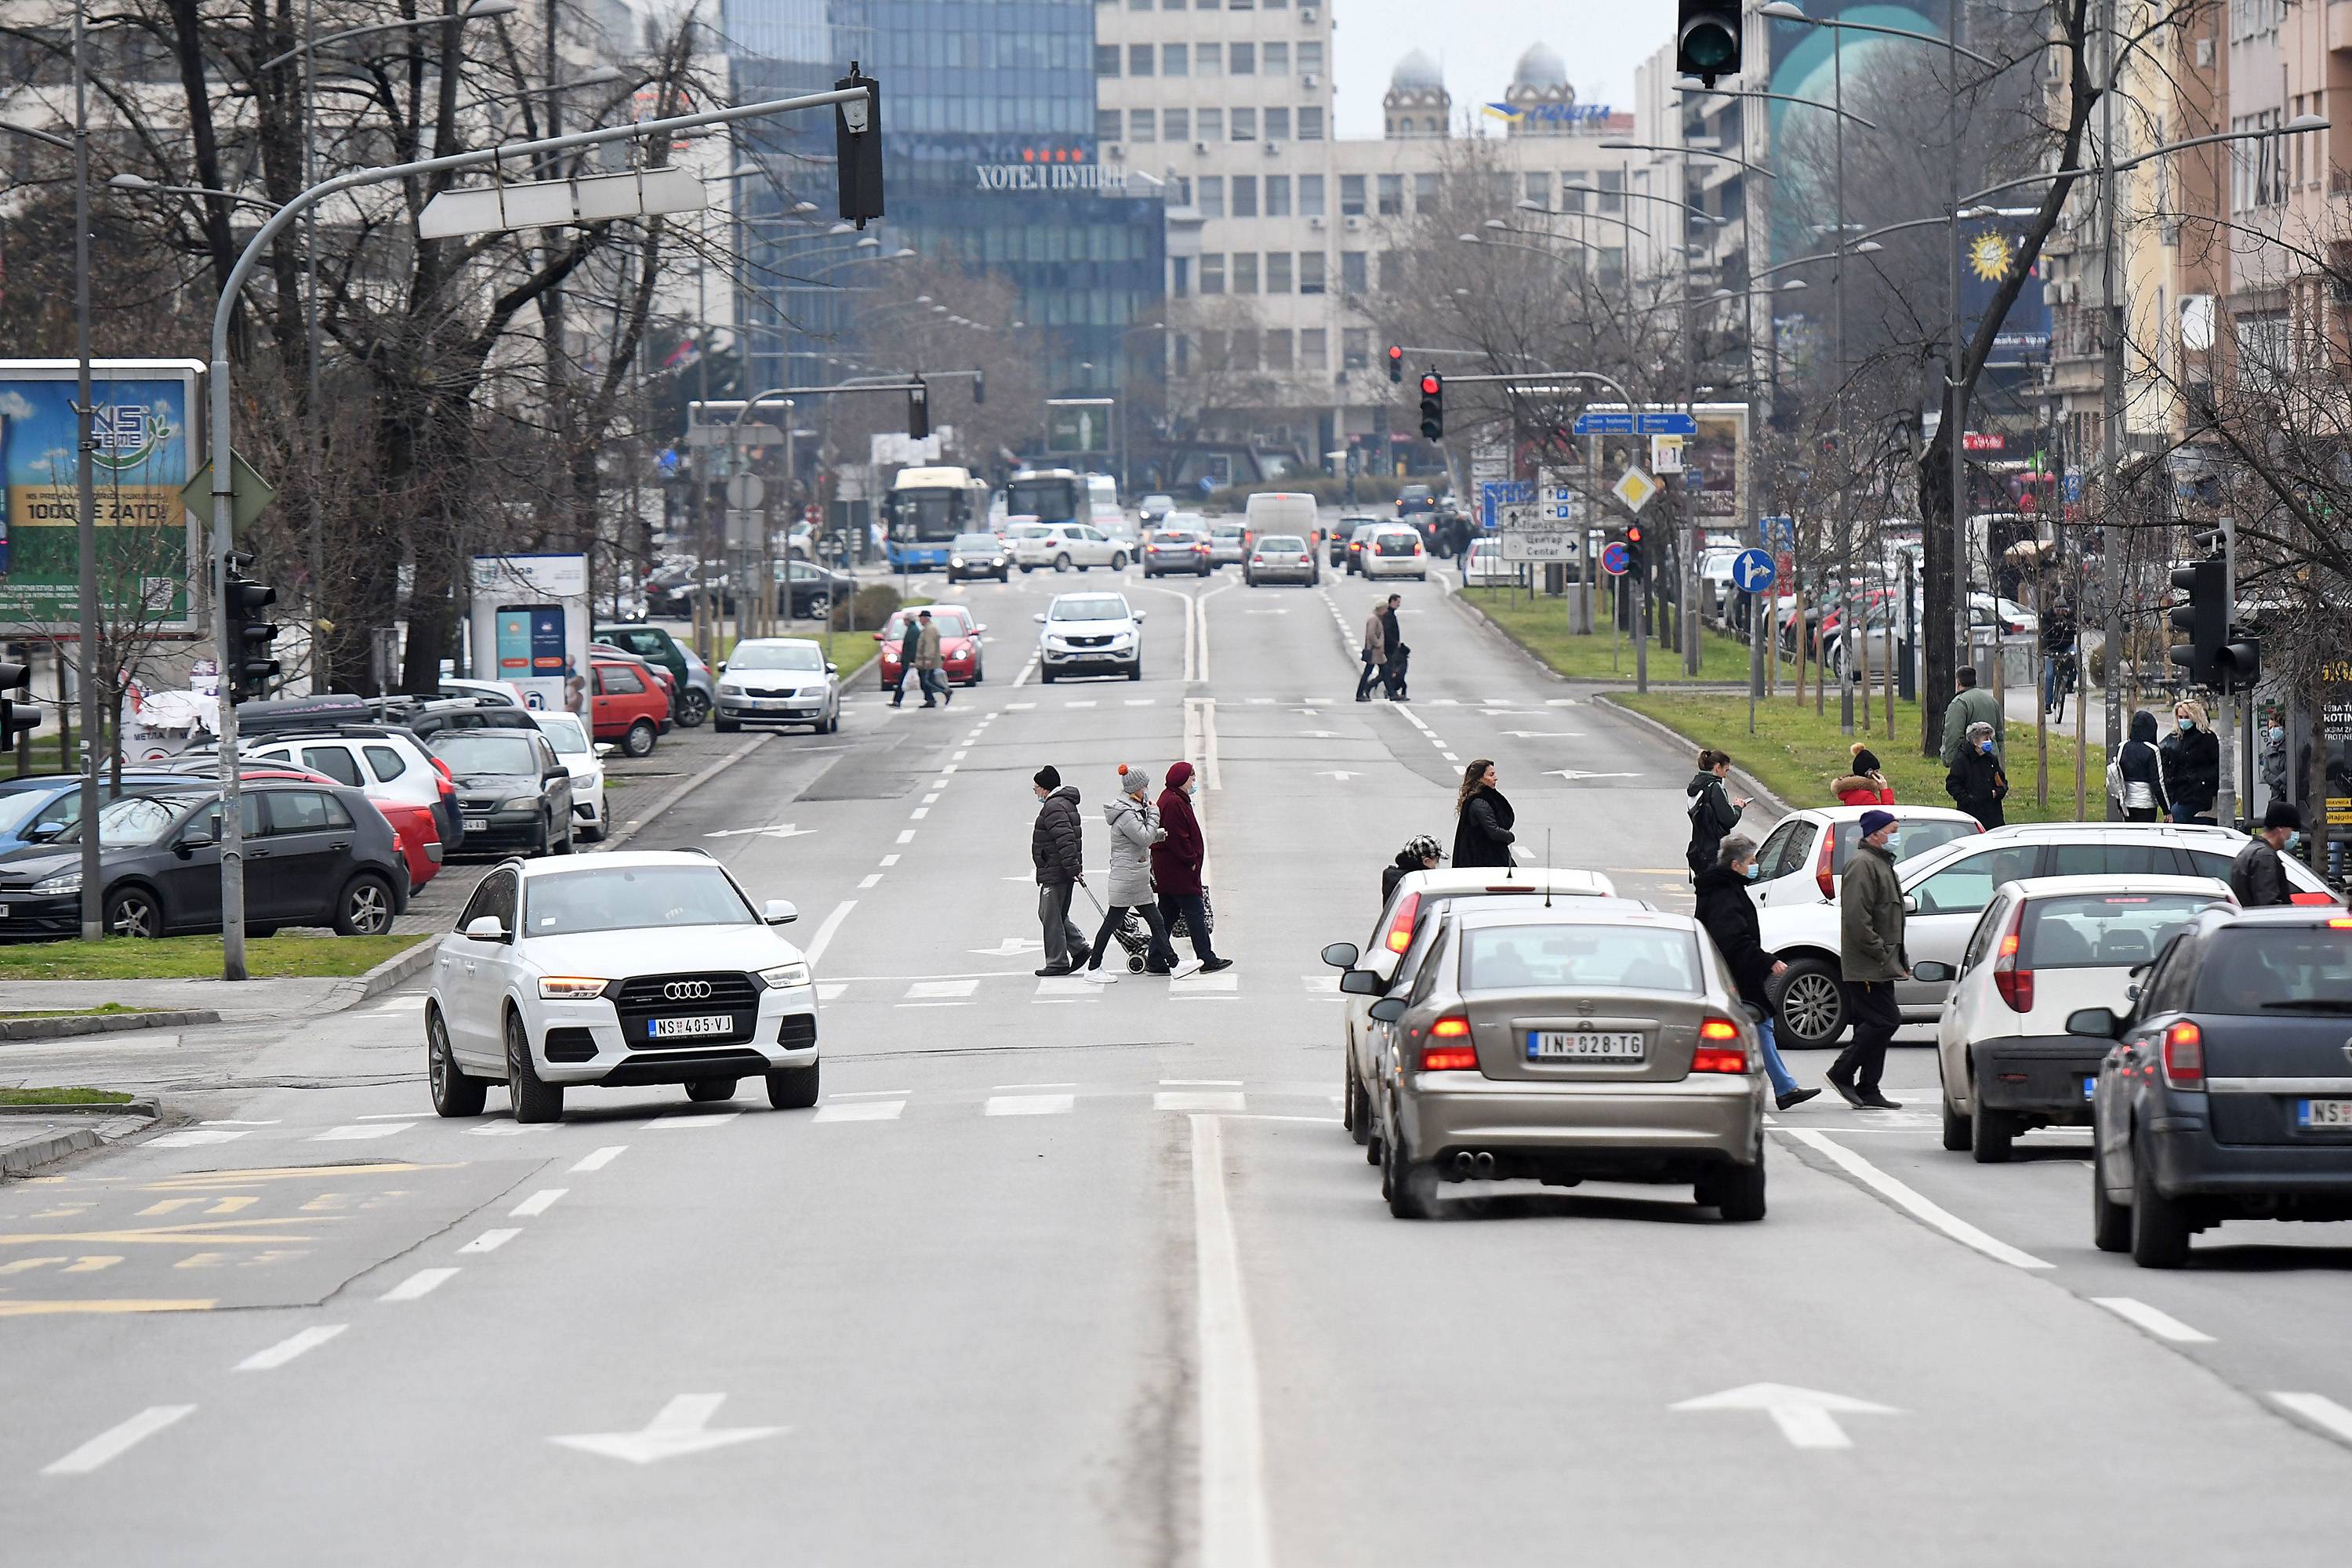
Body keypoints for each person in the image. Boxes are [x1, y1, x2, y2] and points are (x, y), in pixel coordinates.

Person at [1693, 835, 1820, 1112]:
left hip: (1730, 972)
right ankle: (1777, 1087)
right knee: (1749, 1026)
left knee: (1758, 1026)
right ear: (1736, 864)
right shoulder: (1725, 894)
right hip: (1733, 974)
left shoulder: (1723, 888)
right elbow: (1733, 938)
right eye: (1752, 862)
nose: (1756, 866)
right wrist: (1766, 960)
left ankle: (1784, 1087)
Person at [1829, 808, 1908, 1110]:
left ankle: (1869, 1087)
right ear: (1874, 834)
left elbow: (1891, 919)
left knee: (1873, 1022)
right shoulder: (1863, 865)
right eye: (1892, 830)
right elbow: (1856, 919)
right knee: (1886, 1020)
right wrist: (1880, 952)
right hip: (1867, 965)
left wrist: (1899, 959)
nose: (1896, 836)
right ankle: (1842, 1072)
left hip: (1882, 964)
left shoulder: (1882, 863)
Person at [1083, 764, 1178, 981]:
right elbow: (1143, 837)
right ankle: (1093, 967)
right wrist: (1155, 813)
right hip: (1128, 879)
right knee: (1115, 924)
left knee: (1154, 922)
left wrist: (1159, 834)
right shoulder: (1126, 813)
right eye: (1144, 787)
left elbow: (1139, 838)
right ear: (1135, 788)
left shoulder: (1131, 809)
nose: (1147, 791)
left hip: (1133, 876)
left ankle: (1174, 963)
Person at [1152, 761, 1231, 977]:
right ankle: (1206, 958)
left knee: (1167, 914)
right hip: (1178, 871)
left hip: (1170, 871)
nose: (1193, 782)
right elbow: (1177, 838)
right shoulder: (1174, 803)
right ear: (1182, 780)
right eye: (1191, 778)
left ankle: (1156, 958)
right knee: (1195, 912)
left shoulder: (1173, 798)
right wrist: (1191, 860)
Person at [1029, 766, 1088, 976]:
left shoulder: (1054, 806)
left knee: (1051, 915)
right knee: (1053, 913)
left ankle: (1057, 962)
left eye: (1036, 788)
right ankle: (1079, 948)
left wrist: (1073, 867)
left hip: (1056, 871)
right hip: (1058, 868)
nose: (1035, 792)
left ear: (1045, 788)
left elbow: (1065, 839)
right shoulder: (1062, 803)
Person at [1685, 748, 1747, 880]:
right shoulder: (1714, 787)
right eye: (1726, 770)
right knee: (1717, 894)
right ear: (1718, 767)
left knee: (1704, 894)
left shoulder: (1696, 786)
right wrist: (1738, 807)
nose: (1725, 775)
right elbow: (1729, 819)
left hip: (1698, 849)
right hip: (1714, 851)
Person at [2230, 801, 2301, 907]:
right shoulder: (2265, 857)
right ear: (2281, 829)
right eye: (2291, 830)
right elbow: (2270, 905)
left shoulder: (2249, 851)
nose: (2291, 835)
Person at [2161, 699, 2220, 823]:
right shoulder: (2176, 737)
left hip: (2197, 792)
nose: (2182, 720)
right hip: (2179, 791)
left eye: (2186, 717)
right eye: (2180, 717)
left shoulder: (2207, 738)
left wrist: (2201, 781)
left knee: (2175, 820)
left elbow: (2216, 766)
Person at [1451, 759, 1516, 869]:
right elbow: (1493, 830)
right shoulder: (1480, 802)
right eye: (1491, 775)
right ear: (1479, 778)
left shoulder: (1481, 798)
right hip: (1484, 861)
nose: (1495, 778)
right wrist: (1510, 836)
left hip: (1487, 857)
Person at [1945, 720, 2009, 829]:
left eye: (1990, 739)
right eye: (1986, 739)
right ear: (1975, 741)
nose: (1989, 742)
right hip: (1971, 815)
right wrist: (1967, 800)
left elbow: (2002, 782)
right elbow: (1952, 784)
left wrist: (1997, 793)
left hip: (1993, 815)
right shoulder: (1962, 760)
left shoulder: (1991, 759)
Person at [2112, 709, 2170, 822]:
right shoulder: (2152, 750)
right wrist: (2166, 809)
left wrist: (2119, 803)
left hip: (2127, 802)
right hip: (2146, 804)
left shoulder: (2122, 747)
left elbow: (2117, 779)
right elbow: (2157, 783)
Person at [1939, 665, 2003, 766]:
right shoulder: (1992, 701)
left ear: (1958, 682)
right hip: (1990, 759)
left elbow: (1954, 735)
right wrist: (1994, 752)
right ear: (1975, 680)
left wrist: (1951, 761)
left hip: (1969, 762)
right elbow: (1999, 733)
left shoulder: (1959, 703)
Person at [1384, 833, 1443, 903]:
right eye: (1437, 861)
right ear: (1426, 861)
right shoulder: (1421, 883)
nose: (1437, 865)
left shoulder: (1393, 876)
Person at [1833, 742, 1895, 807]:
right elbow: (1886, 814)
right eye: (1876, 771)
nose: (1879, 774)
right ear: (1869, 774)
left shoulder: (1855, 792)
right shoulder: (1864, 796)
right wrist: (1884, 790)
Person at [913, 609, 950, 708]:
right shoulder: (928, 628)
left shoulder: (930, 629)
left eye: (921, 618)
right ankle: (930, 699)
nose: (920, 620)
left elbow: (930, 645)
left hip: (929, 661)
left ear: (925, 618)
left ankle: (945, 691)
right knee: (926, 680)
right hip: (928, 660)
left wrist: (928, 658)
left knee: (927, 681)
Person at [1356, 602, 1388, 702]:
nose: (1386, 611)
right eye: (1385, 609)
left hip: (1376, 652)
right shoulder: (1374, 619)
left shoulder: (1376, 618)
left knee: (1384, 671)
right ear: (1381, 608)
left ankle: (1391, 692)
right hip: (1374, 651)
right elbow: (1371, 634)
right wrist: (1378, 644)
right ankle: (1361, 693)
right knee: (1370, 672)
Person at [1377, 594, 1407, 699]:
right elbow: (1387, 631)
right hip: (1389, 648)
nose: (1399, 604)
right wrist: (1395, 643)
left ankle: (1391, 692)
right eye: (1398, 602)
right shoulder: (1388, 615)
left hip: (1391, 647)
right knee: (1387, 671)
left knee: (1387, 671)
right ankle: (1370, 686)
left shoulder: (1391, 614)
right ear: (1392, 602)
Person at [890, 613, 923, 707]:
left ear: (909, 620)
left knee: (903, 681)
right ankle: (897, 700)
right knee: (904, 681)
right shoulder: (912, 630)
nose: (904, 622)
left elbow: (912, 647)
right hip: (908, 661)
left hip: (909, 662)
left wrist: (911, 661)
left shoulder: (913, 631)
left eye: (905, 620)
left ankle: (897, 700)